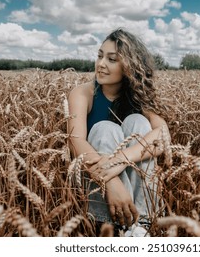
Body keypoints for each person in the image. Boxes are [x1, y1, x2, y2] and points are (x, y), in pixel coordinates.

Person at [68, 28, 168, 235]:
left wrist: (120, 160)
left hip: (117, 170)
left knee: (138, 122)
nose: (101, 64)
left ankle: (141, 224)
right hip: (95, 180)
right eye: (99, 56)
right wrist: (110, 181)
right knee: (105, 129)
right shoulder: (83, 93)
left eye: (111, 59)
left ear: (129, 66)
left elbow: (162, 134)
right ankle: (111, 224)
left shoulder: (137, 96)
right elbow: (76, 141)